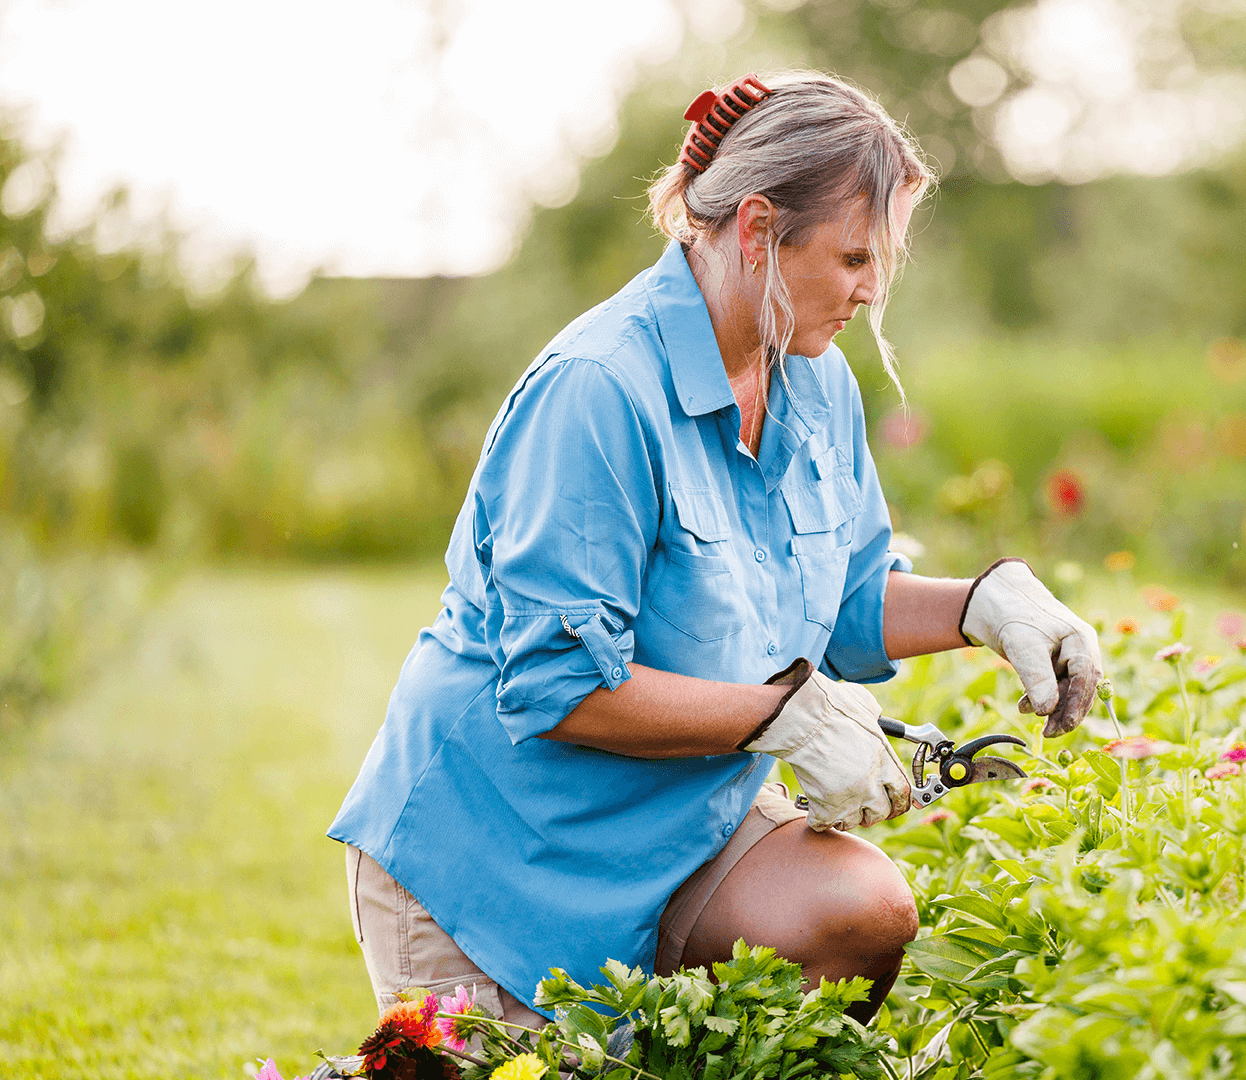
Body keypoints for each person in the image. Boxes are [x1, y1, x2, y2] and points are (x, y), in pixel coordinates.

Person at [327, 71, 1104, 1030]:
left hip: (681, 834)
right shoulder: (598, 391)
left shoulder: (814, 383)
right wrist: (788, 721)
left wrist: (986, 603)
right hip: (498, 865)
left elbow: (847, 599)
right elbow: (555, 684)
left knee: (858, 915)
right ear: (756, 230)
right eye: (855, 257)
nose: (871, 291)